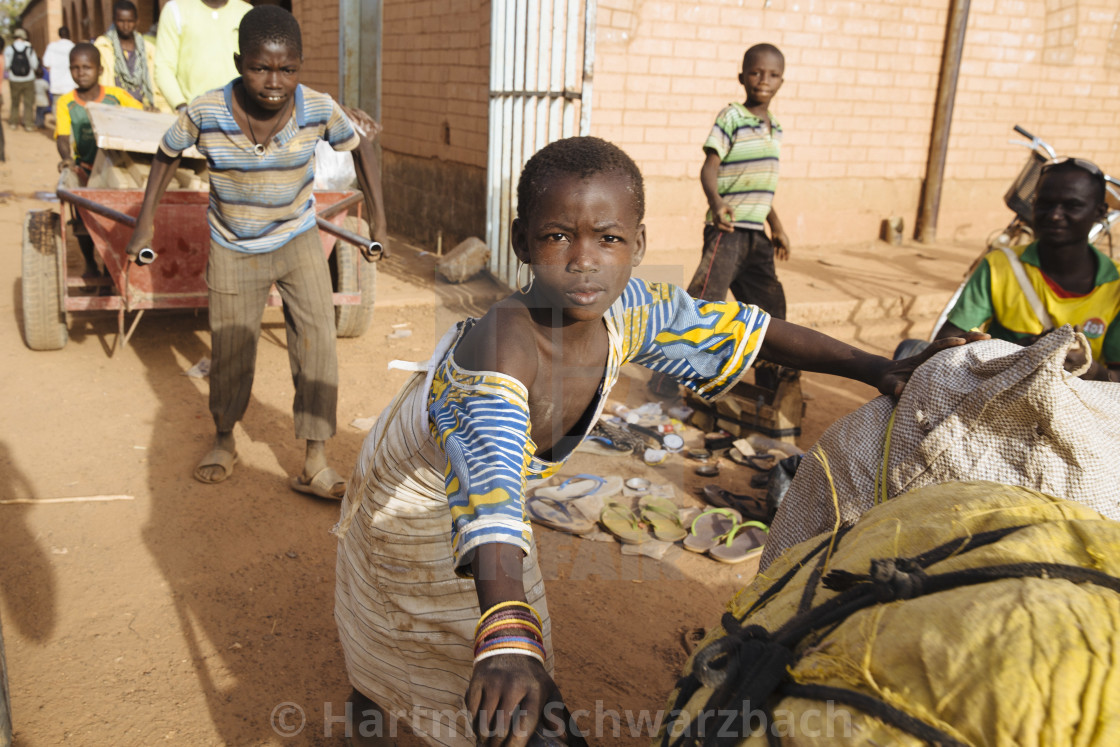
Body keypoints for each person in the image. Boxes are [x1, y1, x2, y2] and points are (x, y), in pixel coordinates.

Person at [332, 136, 983, 747]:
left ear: (637, 243)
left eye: (608, 238)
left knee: (520, 658)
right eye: (558, 236)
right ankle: (368, 699)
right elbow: (492, 501)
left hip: (494, 513)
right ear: (521, 242)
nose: (584, 259)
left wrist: (875, 367)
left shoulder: (630, 310)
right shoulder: (503, 347)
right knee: (407, 609)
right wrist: (504, 636)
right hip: (417, 484)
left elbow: (745, 331)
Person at [125, 6, 388, 494]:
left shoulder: (317, 107)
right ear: (238, 62)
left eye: (287, 69)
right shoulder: (206, 111)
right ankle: (224, 439)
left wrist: (380, 219)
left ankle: (314, 459)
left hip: (297, 239)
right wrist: (143, 228)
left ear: (300, 65)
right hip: (233, 246)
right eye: (259, 68)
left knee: (316, 345)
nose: (273, 81)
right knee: (231, 349)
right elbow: (166, 154)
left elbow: (361, 148)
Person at [650, 43, 792, 398]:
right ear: (742, 77)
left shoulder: (774, 127)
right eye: (756, 72)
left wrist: (776, 225)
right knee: (704, 305)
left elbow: (762, 185)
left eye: (773, 75)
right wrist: (716, 203)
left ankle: (773, 389)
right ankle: (665, 380)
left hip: (756, 237)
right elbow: (709, 168)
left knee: (772, 309)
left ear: (782, 82)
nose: (764, 80)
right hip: (726, 232)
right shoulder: (731, 117)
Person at [935, 158, 1120, 382]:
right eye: (1044, 203)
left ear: (1099, 212)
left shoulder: (1116, 285)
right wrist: (1021, 352)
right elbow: (945, 345)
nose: (1054, 215)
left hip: (1081, 408)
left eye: (1072, 206)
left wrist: (1091, 371)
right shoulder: (1000, 266)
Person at [55, 43, 143, 279]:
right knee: (84, 219)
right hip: (86, 167)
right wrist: (66, 159)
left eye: (87, 67)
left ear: (100, 70)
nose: (81, 72)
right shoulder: (67, 102)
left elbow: (141, 114)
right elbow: (62, 136)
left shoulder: (116, 96)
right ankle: (90, 263)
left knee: (115, 220)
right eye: (75, 68)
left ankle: (111, 264)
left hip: (116, 168)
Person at [154, 0, 252, 112]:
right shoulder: (175, 10)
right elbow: (163, 66)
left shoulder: (246, 12)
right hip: (192, 111)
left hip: (238, 112)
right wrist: (182, 107)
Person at [95, 1, 159, 111]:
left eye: (130, 21)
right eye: (121, 21)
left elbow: (155, 81)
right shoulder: (103, 47)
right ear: (114, 21)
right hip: (113, 109)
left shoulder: (148, 49)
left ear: (137, 21)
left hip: (144, 109)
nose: (126, 26)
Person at [5, 29, 39, 132]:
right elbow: (35, 65)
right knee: (28, 102)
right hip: (28, 79)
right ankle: (28, 123)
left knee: (15, 101)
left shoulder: (9, 49)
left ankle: (13, 123)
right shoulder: (29, 48)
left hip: (14, 79)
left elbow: (7, 65)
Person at [41, 26, 76, 104]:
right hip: (71, 85)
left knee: (57, 108)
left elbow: (46, 63)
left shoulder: (52, 46)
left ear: (59, 34)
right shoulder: (73, 47)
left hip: (57, 84)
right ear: (69, 34)